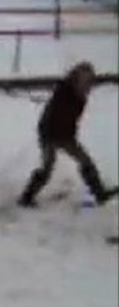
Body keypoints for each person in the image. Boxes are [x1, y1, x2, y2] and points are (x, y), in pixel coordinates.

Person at [18, 61, 117, 207]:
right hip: (49, 134)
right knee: (47, 167)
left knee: (85, 161)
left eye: (89, 80)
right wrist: (51, 137)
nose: (87, 84)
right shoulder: (64, 91)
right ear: (76, 77)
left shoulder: (80, 96)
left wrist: (70, 134)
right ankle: (26, 198)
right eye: (84, 79)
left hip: (66, 135)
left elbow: (73, 119)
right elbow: (53, 116)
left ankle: (99, 193)